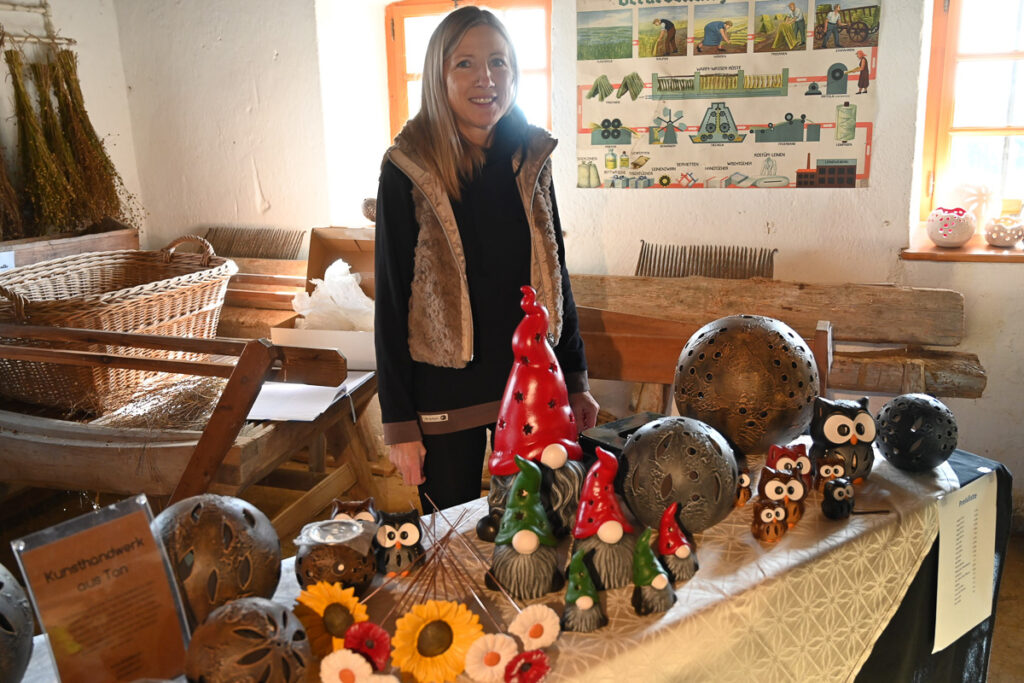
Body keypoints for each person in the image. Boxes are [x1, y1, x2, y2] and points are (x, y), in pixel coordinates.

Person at [374, 7, 599, 512]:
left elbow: (556, 273)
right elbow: (390, 300)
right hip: (444, 397)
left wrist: (576, 379)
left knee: (534, 533)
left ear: (514, 72)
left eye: (498, 62)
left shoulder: (533, 157)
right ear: (439, 76)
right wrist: (399, 424)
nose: (486, 79)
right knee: (449, 535)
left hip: (534, 388)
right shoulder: (406, 168)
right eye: (466, 64)